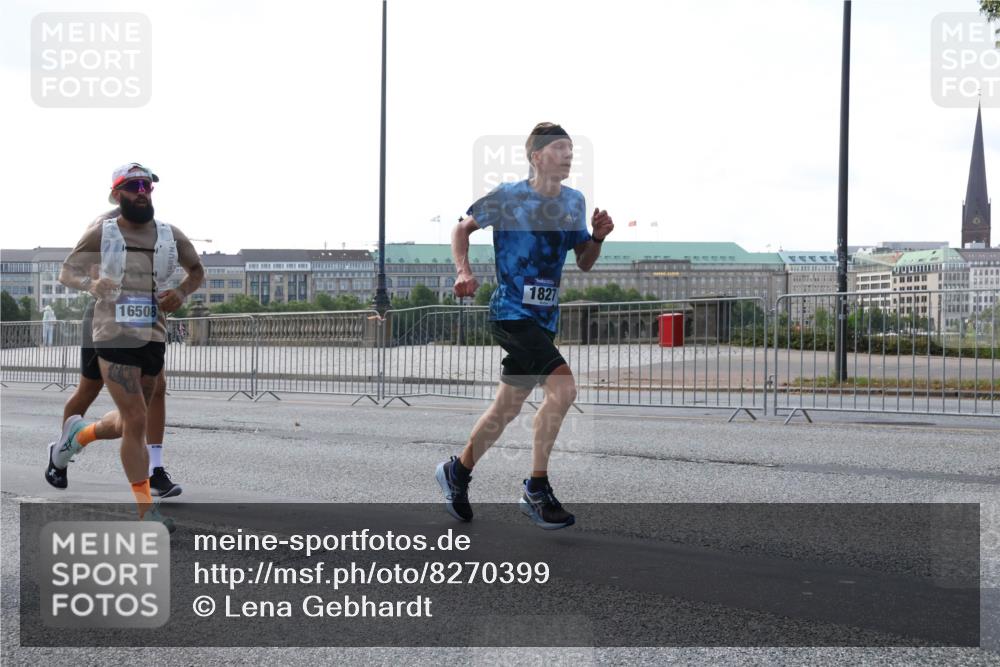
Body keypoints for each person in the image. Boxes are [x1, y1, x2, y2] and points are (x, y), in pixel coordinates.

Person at [436, 123, 614, 530]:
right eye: (560, 149)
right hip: (510, 313)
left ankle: (457, 473)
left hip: (543, 319)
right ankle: (536, 488)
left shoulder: (573, 202)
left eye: (572, 149)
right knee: (565, 388)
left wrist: (598, 239)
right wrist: (462, 271)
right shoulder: (508, 196)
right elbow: (461, 228)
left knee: (507, 408)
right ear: (537, 157)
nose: (569, 156)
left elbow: (583, 260)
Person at [51, 164, 203, 529]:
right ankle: (145, 509)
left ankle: (79, 434)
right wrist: (92, 286)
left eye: (147, 186)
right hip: (111, 331)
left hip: (152, 333)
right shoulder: (102, 232)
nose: (142, 192)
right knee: (131, 416)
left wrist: (181, 292)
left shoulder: (170, 235)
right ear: (117, 193)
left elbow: (196, 270)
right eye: (134, 186)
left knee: (127, 421)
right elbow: (66, 271)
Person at [44, 206, 182, 499]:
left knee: (157, 389)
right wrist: (96, 281)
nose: (142, 192)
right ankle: (62, 454)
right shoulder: (103, 224)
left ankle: (155, 468)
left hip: (143, 317)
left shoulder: (156, 231)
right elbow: (81, 268)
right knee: (88, 389)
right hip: (104, 316)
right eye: (136, 185)